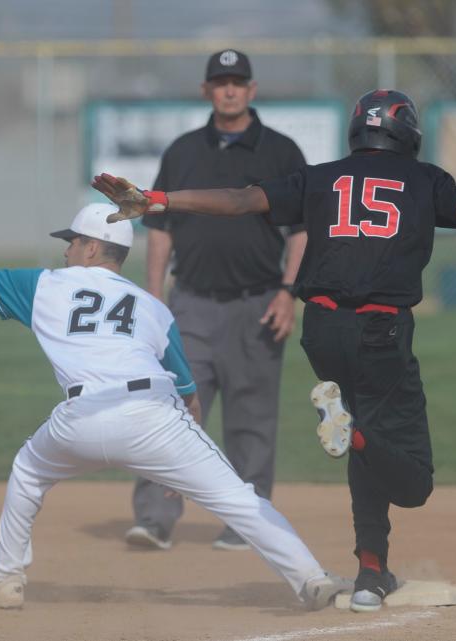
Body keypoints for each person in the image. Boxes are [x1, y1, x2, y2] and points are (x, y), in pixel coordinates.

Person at [91, 89, 456, 612]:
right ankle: (354, 439)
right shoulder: (423, 178)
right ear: (406, 132)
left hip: (321, 330)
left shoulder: (321, 176)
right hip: (380, 332)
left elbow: (241, 199)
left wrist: (160, 200)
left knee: (362, 444)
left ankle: (370, 571)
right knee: (412, 480)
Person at [0, 202, 352, 611]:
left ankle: (3, 582)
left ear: (93, 248)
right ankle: (311, 579)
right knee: (237, 498)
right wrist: (178, 465)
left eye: (72, 242)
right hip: (153, 418)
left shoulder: (45, 284)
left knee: (28, 472)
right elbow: (188, 392)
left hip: (78, 419)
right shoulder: (152, 307)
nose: (66, 250)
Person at [128, 49, 309, 553]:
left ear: (251, 90)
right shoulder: (183, 151)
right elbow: (159, 229)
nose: (229, 89)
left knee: (252, 419)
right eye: (220, 81)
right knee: (173, 411)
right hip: (191, 303)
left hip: (258, 303)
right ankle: (156, 517)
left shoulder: (281, 152)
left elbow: (302, 231)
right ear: (207, 90)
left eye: (238, 81)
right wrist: (153, 296)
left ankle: (245, 521)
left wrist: (288, 293)